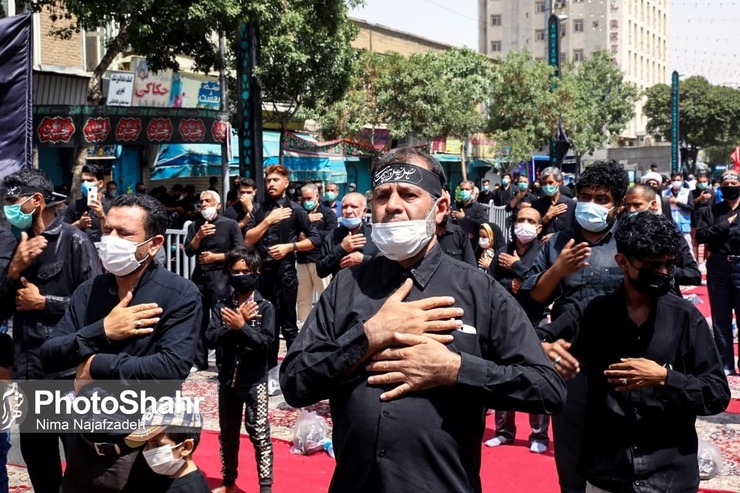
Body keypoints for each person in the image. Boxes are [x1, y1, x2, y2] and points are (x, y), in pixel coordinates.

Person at [280, 147, 565, 492]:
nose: (393, 206)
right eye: (383, 196)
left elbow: (547, 389)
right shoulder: (348, 285)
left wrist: (455, 370)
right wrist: (370, 335)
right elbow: (295, 382)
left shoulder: (478, 290)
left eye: (409, 194)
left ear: (440, 207)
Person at [538, 212, 730, 492]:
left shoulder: (686, 318)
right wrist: (545, 350)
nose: (664, 273)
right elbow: (526, 340)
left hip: (670, 476)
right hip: (608, 474)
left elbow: (717, 394)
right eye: (654, 265)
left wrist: (665, 378)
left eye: (669, 264)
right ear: (623, 263)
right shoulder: (591, 312)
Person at [40, 193, 202, 492]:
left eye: (124, 233)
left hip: (138, 454)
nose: (110, 240)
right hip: (83, 448)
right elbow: (49, 354)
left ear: (153, 245)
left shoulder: (180, 294)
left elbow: (169, 369)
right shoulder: (88, 291)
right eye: (107, 230)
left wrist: (96, 365)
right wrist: (102, 330)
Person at [519, 160, 630, 493]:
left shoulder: (628, 242)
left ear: (618, 204)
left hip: (621, 361)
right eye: (585, 196)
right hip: (568, 362)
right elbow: (531, 298)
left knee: (619, 453)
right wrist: (559, 270)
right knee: (570, 456)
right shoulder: (556, 243)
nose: (591, 204)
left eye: (602, 198)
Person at [0, 168, 101, 493]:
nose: (9, 209)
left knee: (80, 468)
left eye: (14, 202)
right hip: (29, 374)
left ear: (37, 200)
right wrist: (13, 270)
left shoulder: (74, 241)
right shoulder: (19, 244)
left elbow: (96, 309)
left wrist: (46, 302)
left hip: (67, 376)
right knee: (40, 467)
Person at [206, 247, 274, 493]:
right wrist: (233, 325)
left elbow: (267, 344)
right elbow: (210, 338)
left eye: (245, 271)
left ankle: (265, 488)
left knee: (259, 433)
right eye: (235, 271)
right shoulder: (222, 306)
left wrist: (243, 326)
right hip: (227, 381)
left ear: (256, 272)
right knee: (228, 436)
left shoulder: (265, 307)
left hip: (254, 380)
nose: (240, 275)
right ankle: (228, 483)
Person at [485, 206, 550, 454]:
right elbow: (490, 284)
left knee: (537, 376)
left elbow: (545, 282)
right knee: (503, 375)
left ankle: (539, 434)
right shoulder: (502, 252)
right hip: (506, 322)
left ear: (539, 227)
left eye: (530, 220)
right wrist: (510, 282)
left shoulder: (544, 252)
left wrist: (519, 269)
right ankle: (503, 431)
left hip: (536, 321)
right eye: (520, 219)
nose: (524, 224)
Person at [245, 164, 320, 370]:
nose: (271, 184)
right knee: (265, 324)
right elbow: (248, 240)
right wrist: (268, 221)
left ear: (285, 183)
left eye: (276, 180)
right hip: (261, 274)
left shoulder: (295, 210)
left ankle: (293, 369)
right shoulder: (259, 209)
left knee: (288, 325)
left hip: (285, 273)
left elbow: (315, 238)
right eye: (268, 180)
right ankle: (269, 370)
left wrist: (290, 247)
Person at [184, 191, 243, 372]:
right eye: (201, 201)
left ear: (218, 205)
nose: (203, 204)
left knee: (221, 319)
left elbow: (239, 251)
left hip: (222, 277)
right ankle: (198, 361)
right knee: (198, 319)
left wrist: (216, 257)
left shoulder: (230, 225)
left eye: (208, 201)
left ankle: (222, 361)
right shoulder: (195, 226)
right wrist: (198, 237)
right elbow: (188, 250)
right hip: (200, 278)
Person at [696, 170, 740, 376]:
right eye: (726, 183)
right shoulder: (711, 211)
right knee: (720, 319)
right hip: (719, 267)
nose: (730, 186)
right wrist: (725, 224)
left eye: (734, 182)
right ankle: (725, 364)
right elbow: (703, 235)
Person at [623, 185, 701, 297]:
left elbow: (693, 275)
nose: (631, 210)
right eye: (628, 205)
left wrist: (660, 269)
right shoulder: (621, 235)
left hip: (665, 301)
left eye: (637, 205)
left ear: (653, 205)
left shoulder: (671, 235)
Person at [124, 399, 210, 493]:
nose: (147, 452)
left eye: (157, 445)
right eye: (146, 443)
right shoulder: (156, 475)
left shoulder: (195, 489)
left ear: (186, 447)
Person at [296, 183, 337, 327]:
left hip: (320, 260)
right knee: (303, 297)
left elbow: (331, 234)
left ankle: (326, 325)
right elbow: (291, 232)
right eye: (304, 198)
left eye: (309, 198)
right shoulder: (299, 213)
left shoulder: (327, 213)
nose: (307, 201)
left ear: (317, 196)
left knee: (325, 295)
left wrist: (308, 233)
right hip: (302, 260)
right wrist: (308, 220)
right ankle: (303, 325)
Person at [316, 192, 379, 278]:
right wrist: (341, 248)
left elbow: (389, 266)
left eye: (354, 207)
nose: (348, 211)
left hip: (368, 289)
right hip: (340, 289)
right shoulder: (333, 235)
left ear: (364, 211)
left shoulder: (375, 235)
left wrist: (364, 260)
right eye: (344, 207)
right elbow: (321, 271)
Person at [63, 163, 111, 242]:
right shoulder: (75, 205)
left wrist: (102, 216)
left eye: (90, 180)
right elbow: (62, 231)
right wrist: (78, 224)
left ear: (100, 183)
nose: (85, 184)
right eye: (83, 181)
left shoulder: (110, 207)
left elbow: (112, 234)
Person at [531, 166, 576, 240]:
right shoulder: (537, 205)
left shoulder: (571, 205)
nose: (547, 186)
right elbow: (531, 230)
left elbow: (576, 231)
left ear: (559, 182)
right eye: (544, 183)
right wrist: (546, 218)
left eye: (550, 182)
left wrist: (555, 237)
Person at [435, 192, 476, 267]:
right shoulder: (424, 235)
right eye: (441, 208)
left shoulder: (459, 233)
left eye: (447, 209)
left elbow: (471, 267)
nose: (445, 213)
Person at [663, 171, 695, 260]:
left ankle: (692, 267)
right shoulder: (664, 193)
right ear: (670, 180)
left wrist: (677, 202)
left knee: (688, 248)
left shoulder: (687, 192)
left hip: (684, 225)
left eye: (678, 180)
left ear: (682, 180)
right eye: (674, 180)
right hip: (670, 225)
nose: (676, 182)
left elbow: (691, 207)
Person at [450, 179, 488, 247]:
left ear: (472, 191)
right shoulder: (455, 207)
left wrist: (465, 218)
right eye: (462, 189)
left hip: (474, 244)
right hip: (457, 243)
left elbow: (482, 224)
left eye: (467, 189)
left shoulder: (479, 208)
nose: (464, 192)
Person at [691, 173, 715, 262]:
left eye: (704, 182)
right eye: (700, 182)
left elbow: (715, 206)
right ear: (697, 182)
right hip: (695, 220)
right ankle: (696, 261)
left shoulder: (712, 192)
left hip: (708, 221)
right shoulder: (692, 192)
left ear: (707, 182)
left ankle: (706, 261)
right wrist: (700, 198)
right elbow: (690, 205)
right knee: (695, 242)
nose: (702, 183)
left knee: (707, 243)